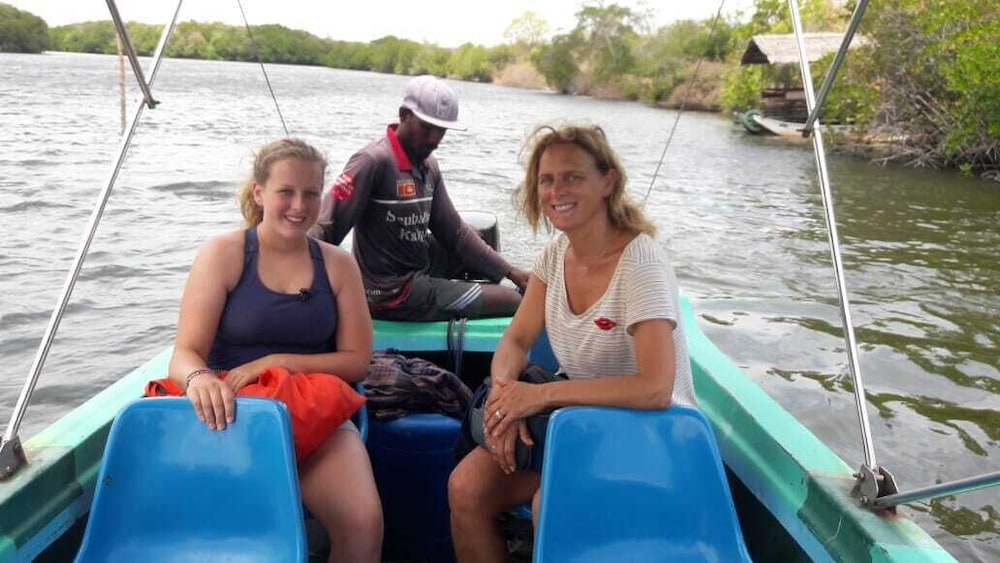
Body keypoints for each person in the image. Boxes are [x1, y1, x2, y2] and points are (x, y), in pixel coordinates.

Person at [447, 124, 697, 562]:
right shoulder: (555, 254)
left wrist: (538, 396)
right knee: (465, 488)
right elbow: (516, 339)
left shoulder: (640, 264)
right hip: (582, 428)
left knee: (553, 503)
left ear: (607, 183)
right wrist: (506, 400)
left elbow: (656, 389)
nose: (556, 190)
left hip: (653, 437)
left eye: (572, 177)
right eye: (546, 179)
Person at [167, 138, 382, 563]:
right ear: (259, 193)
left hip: (315, 417)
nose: (299, 206)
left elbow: (357, 361)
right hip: (232, 416)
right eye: (286, 192)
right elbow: (185, 353)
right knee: (221, 530)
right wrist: (199, 378)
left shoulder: (338, 265)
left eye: (311, 194)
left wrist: (277, 363)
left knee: (363, 522)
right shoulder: (223, 254)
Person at [312, 75, 530, 321]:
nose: (434, 139)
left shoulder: (429, 165)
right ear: (404, 115)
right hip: (390, 293)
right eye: (427, 128)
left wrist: (512, 272)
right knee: (515, 301)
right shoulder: (371, 162)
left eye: (441, 130)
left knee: (476, 236)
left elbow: (455, 232)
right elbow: (325, 226)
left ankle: (465, 295)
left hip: (416, 270)